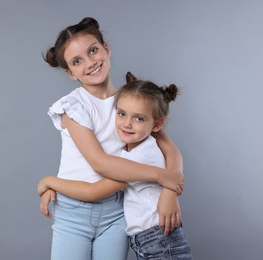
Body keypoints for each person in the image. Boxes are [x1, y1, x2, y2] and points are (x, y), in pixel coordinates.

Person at [39, 17, 184, 260]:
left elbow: (171, 151)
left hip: (116, 212)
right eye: (77, 61)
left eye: (93, 51)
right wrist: (161, 176)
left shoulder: (131, 101)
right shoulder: (74, 107)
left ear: (106, 49)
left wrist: (170, 192)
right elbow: (100, 163)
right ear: (70, 73)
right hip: (73, 212)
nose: (90, 63)